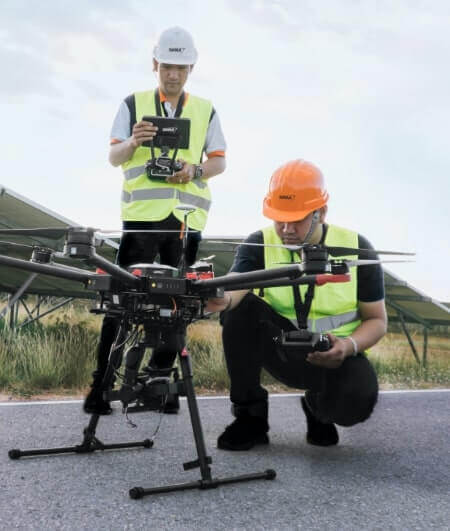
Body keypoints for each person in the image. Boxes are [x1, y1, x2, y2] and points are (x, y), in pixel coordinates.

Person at [84, 26, 226, 415]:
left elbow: (219, 161)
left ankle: (160, 384)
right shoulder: (133, 103)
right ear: (155, 64)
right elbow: (114, 157)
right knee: (122, 303)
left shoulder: (205, 109)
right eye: (167, 66)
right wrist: (133, 142)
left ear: (191, 67)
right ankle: (101, 386)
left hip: (185, 221)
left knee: (177, 305)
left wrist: (193, 170)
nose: (173, 74)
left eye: (180, 67)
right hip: (142, 221)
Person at [207, 159, 386, 451]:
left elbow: (377, 320)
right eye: (279, 218)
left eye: (298, 218)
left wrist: (348, 346)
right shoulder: (260, 243)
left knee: (357, 402)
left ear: (321, 212)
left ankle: (319, 410)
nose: (287, 229)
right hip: (279, 348)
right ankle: (250, 417)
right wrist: (219, 298)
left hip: (333, 354)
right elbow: (235, 287)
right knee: (239, 312)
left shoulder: (357, 247)